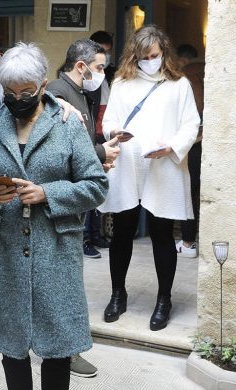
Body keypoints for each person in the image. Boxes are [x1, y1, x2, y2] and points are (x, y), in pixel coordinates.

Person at [0, 42, 108, 390]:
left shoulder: (67, 124)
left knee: (57, 349)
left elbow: (96, 185)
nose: (17, 99)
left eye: (26, 92)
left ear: (43, 85)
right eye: (10, 92)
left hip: (56, 254)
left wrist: (49, 193)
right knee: (11, 349)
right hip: (5, 253)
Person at [98, 25, 200, 331]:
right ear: (134, 55)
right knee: (122, 232)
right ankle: (118, 294)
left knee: (161, 233)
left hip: (164, 165)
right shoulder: (121, 82)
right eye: (143, 57)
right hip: (128, 162)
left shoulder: (178, 83)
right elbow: (110, 120)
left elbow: (191, 124)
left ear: (164, 52)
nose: (149, 61)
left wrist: (172, 147)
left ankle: (163, 300)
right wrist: (114, 132)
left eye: (154, 55)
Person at [47, 39, 120, 260]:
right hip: (62, 194)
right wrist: (100, 153)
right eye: (98, 68)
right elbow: (61, 147)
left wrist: (97, 162)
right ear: (81, 66)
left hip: (76, 191)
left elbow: (81, 142)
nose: (101, 74)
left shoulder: (80, 92)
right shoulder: (58, 91)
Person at [175, 43, 204, 258]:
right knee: (196, 193)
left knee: (186, 192)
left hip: (190, 144)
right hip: (205, 142)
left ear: (182, 60)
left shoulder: (187, 78)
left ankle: (187, 241)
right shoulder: (207, 72)